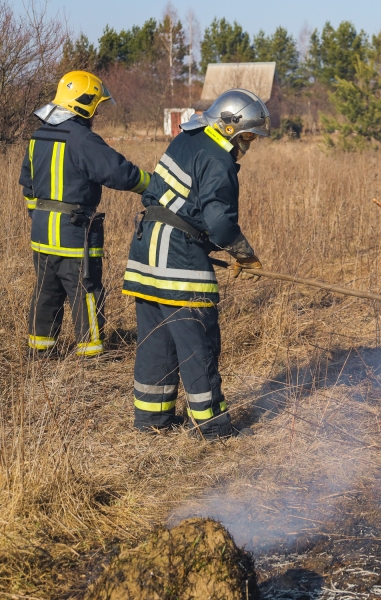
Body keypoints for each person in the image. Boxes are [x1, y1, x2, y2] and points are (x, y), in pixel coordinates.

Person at [121, 88, 268, 439]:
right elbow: (218, 221)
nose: (248, 144)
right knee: (197, 342)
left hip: (145, 250)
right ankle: (211, 427)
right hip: (179, 258)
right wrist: (243, 254)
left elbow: (178, 201)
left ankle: (152, 419)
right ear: (229, 127)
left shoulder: (186, 140)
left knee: (156, 339)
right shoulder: (218, 158)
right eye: (247, 136)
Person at [20, 70, 151, 358]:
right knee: (85, 291)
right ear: (84, 103)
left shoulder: (38, 136)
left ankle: (40, 353)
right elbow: (118, 172)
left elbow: (27, 185)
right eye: (95, 105)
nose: (97, 113)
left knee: (45, 292)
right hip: (74, 234)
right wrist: (152, 186)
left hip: (41, 235)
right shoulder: (82, 139)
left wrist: (38, 218)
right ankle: (90, 354)